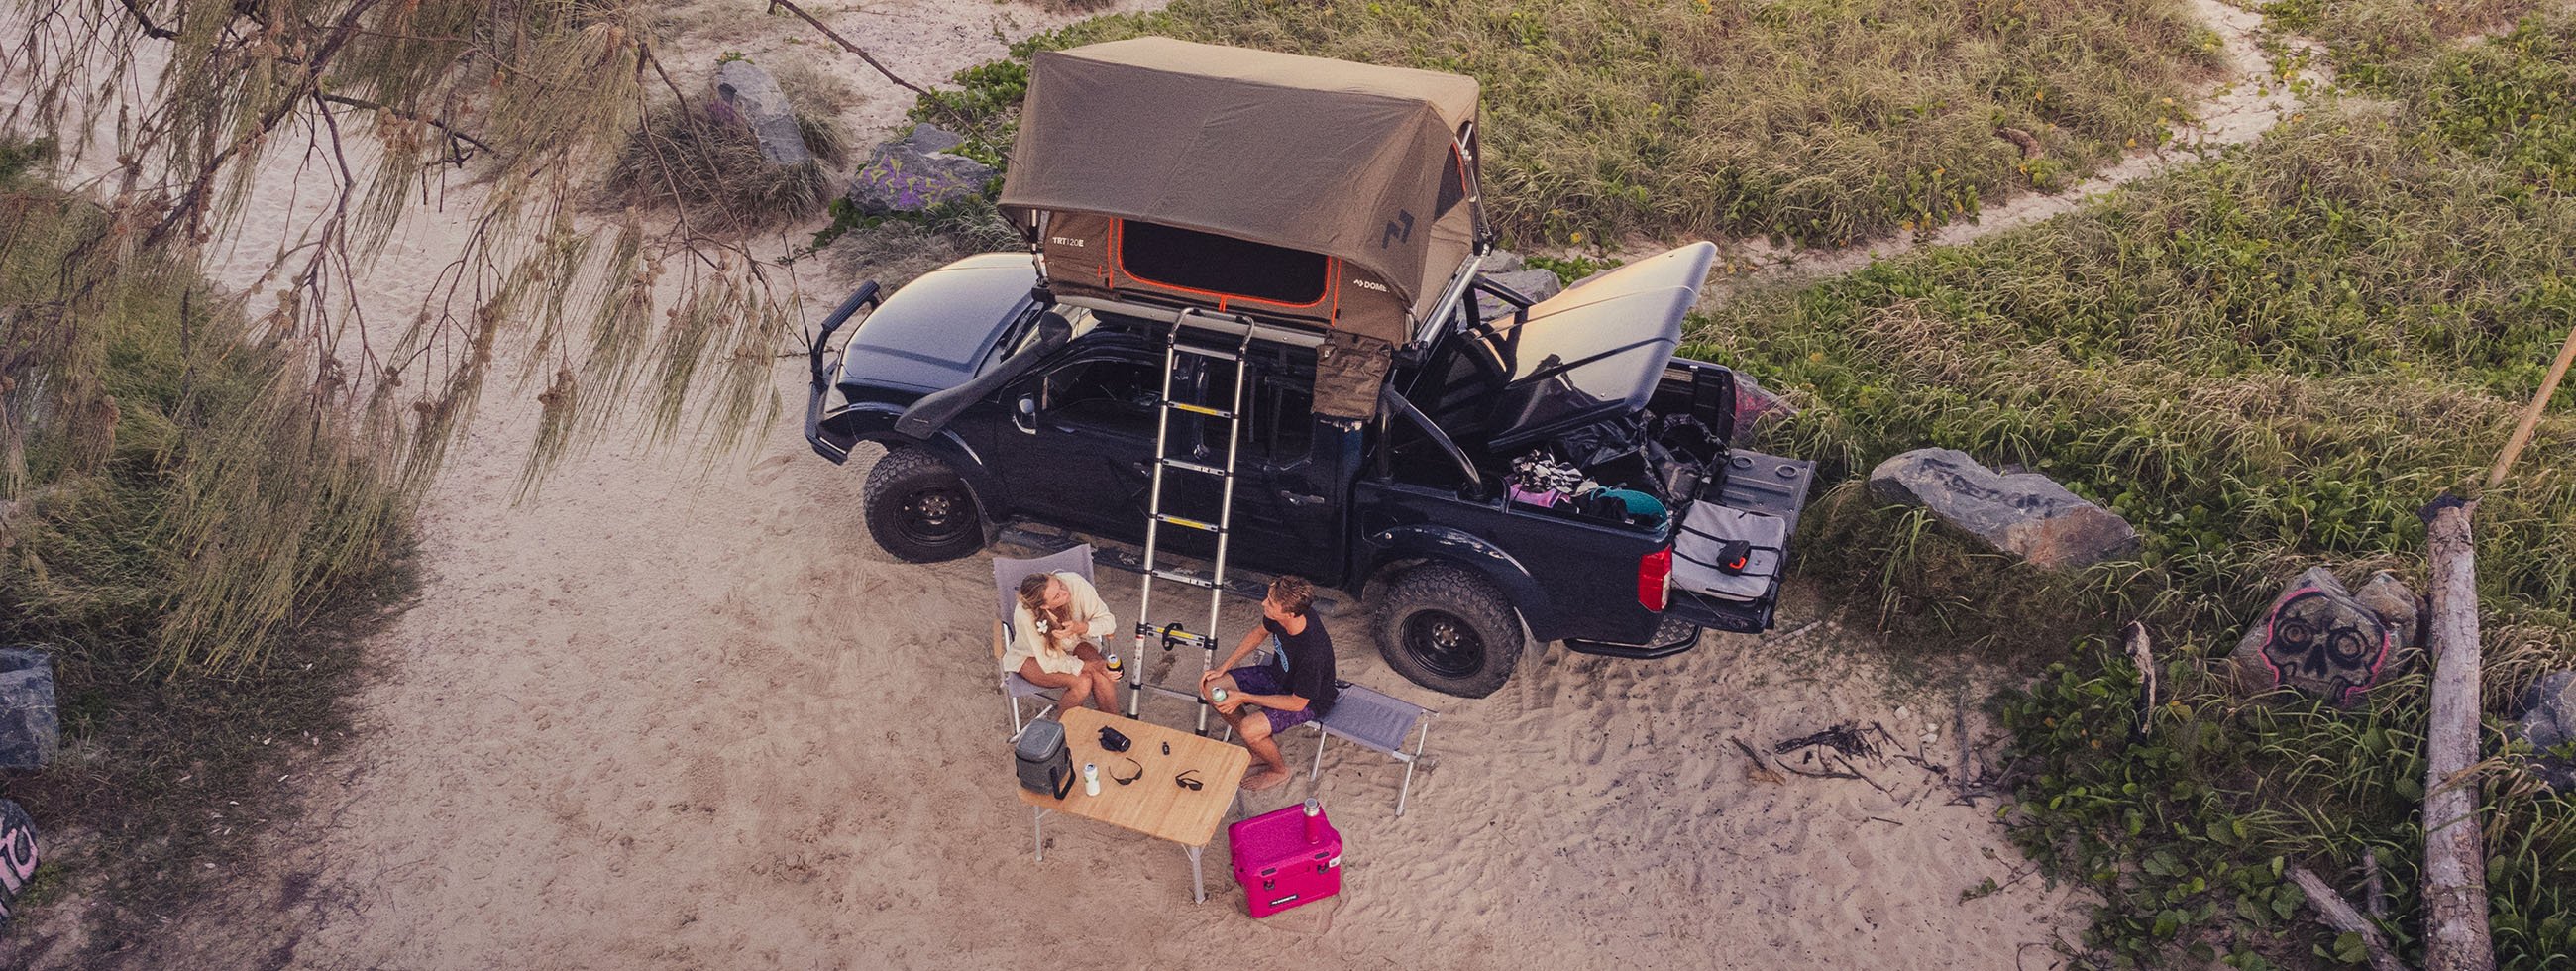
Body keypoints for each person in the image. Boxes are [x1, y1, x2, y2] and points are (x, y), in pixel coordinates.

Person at [1201, 576, 1336, 792]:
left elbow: (1297, 704)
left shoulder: (1313, 653)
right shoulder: (1280, 616)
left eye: (1271, 603)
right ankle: (1258, 750)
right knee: (1212, 687)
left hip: (1308, 700)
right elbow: (1259, 633)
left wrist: (1244, 697)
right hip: (1276, 676)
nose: (1264, 603)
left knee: (1249, 728)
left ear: (1289, 614)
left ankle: (1278, 769)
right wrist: (1223, 667)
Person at [1004, 571, 1121, 713]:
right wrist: (1094, 665)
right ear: (1045, 606)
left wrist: (1081, 627)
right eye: (1057, 596)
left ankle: (1115, 722)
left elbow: (1109, 623)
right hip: (1036, 658)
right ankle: (1062, 731)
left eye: (1060, 584)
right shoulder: (1026, 615)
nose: (1066, 592)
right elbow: (1049, 662)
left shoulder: (1075, 583)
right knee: (1082, 682)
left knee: (1101, 674)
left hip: (1075, 643)